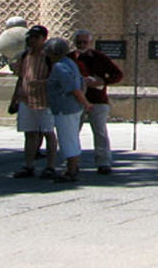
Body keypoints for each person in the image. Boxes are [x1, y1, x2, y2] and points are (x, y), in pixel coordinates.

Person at [71, 29, 124, 174]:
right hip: (76, 101)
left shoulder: (99, 57)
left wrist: (101, 81)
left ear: (90, 42)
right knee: (73, 132)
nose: (81, 44)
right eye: (79, 42)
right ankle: (72, 162)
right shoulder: (70, 58)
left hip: (97, 100)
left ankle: (104, 162)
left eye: (84, 42)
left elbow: (118, 74)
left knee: (100, 132)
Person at [11, 25, 57, 179]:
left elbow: (56, 78)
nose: (32, 40)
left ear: (44, 39)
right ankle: (28, 165)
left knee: (48, 132)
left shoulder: (49, 57)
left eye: (36, 38)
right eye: (30, 37)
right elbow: (21, 78)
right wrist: (14, 99)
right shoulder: (25, 56)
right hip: (26, 99)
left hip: (45, 100)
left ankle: (50, 166)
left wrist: (42, 83)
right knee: (29, 133)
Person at [45, 36, 87, 181]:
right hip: (72, 107)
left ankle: (71, 170)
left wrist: (86, 103)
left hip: (65, 108)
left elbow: (73, 87)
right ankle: (73, 167)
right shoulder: (70, 63)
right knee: (72, 138)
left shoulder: (59, 66)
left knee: (67, 139)